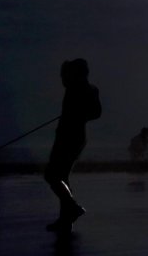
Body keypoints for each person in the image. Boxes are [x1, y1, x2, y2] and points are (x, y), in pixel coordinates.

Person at [45, 58, 101, 233]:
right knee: (62, 176)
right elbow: (96, 113)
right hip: (76, 137)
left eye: (65, 74)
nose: (63, 79)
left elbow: (93, 113)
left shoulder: (75, 89)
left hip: (68, 137)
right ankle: (66, 219)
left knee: (52, 175)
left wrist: (76, 115)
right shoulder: (91, 89)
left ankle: (72, 207)